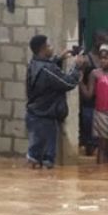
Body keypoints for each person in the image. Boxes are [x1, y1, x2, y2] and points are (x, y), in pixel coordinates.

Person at [26, 35, 84, 169]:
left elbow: (48, 70)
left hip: (37, 115)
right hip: (44, 118)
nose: (52, 48)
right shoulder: (47, 70)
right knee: (41, 160)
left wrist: (58, 59)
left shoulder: (33, 64)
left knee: (37, 157)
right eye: (50, 46)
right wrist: (77, 67)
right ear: (43, 49)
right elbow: (67, 82)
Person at [80, 30, 108, 156]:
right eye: (100, 40)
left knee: (102, 141)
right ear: (95, 40)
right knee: (90, 141)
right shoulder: (87, 59)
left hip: (103, 104)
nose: (102, 43)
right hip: (89, 103)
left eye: (104, 40)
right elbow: (80, 78)